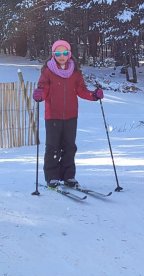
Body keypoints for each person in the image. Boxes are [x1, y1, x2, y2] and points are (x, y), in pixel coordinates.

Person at [32, 39, 104, 188]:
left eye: (65, 52)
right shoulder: (48, 71)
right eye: (58, 53)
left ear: (69, 54)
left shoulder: (75, 73)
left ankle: (68, 176)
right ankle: (52, 177)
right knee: (53, 147)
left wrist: (94, 95)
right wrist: (39, 94)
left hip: (71, 115)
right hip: (53, 115)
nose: (62, 56)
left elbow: (81, 91)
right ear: (53, 54)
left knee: (69, 146)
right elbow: (43, 90)